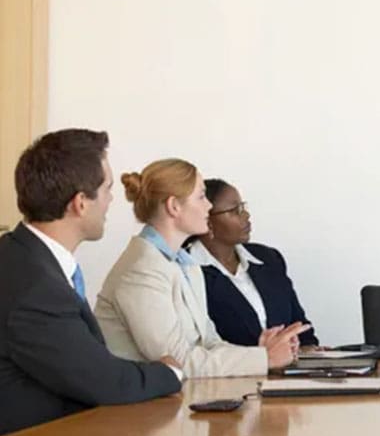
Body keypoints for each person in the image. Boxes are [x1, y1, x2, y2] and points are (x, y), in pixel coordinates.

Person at [0, 129, 181, 435]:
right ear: (81, 202)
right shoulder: (35, 287)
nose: (112, 200)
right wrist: (169, 372)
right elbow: (103, 382)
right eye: (107, 188)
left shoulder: (20, 256)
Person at [95, 159, 306, 377]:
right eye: (201, 196)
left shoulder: (184, 264)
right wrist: (265, 358)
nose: (208, 206)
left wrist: (261, 353)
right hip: (140, 409)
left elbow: (210, 342)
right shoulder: (141, 270)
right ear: (174, 206)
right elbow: (177, 363)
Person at [188, 178, 319, 347]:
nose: (246, 215)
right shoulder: (187, 269)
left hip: (289, 369)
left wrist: (311, 351)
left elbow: (301, 327)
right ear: (207, 220)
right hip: (230, 371)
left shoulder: (268, 259)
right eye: (235, 210)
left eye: (243, 207)